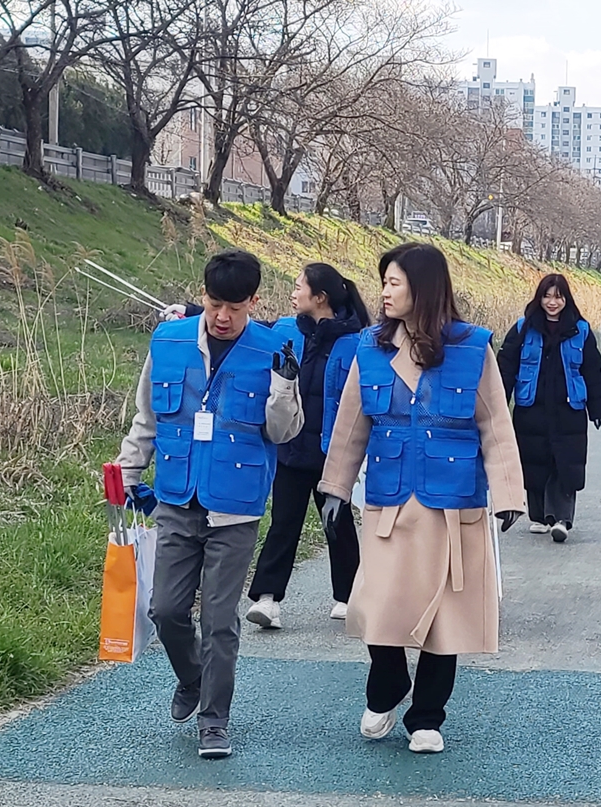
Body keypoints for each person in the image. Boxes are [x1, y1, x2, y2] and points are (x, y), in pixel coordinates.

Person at [317, 242, 525, 754]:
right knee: (377, 603)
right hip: (389, 501)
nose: (384, 292)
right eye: (384, 282)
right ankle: (387, 684)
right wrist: (335, 488)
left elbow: (495, 425)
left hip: (454, 505)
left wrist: (508, 493)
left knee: (445, 616)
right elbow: (350, 426)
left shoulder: (472, 348)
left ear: (423, 288)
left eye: (394, 283)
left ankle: (428, 716)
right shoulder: (370, 348)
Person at [116, 249, 304, 759]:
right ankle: (192, 677)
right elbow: (147, 418)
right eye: (215, 304)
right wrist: (127, 470)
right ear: (203, 295)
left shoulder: (275, 349)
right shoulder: (169, 340)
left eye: (235, 308)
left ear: (253, 302)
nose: (223, 317)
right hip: (177, 497)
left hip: (236, 505)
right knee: (166, 610)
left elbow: (283, 432)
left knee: (220, 620)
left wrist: (284, 387)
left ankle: (214, 721)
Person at [239, 263, 373, 630]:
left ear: (320, 297)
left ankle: (349, 596)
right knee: (283, 522)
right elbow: (246, 329)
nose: (293, 292)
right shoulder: (285, 331)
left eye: (299, 287)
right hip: (290, 449)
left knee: (337, 524)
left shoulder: (358, 343)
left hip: (335, 455)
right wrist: (189, 312)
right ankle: (267, 599)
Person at [496, 274, 601, 543]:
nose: (552, 302)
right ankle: (539, 516)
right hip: (531, 407)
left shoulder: (580, 330)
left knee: (565, 462)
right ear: (539, 298)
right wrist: (498, 404)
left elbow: (592, 370)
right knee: (535, 460)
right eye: (547, 296)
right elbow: (505, 367)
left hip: (568, 408)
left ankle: (561, 519)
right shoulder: (524, 327)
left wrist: (597, 407)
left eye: (558, 296)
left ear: (566, 299)